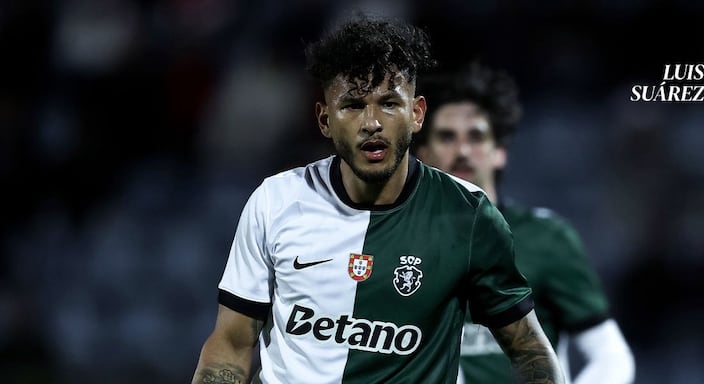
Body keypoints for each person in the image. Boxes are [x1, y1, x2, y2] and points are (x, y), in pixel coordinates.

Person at [191, 16, 565, 384]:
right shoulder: (276, 200)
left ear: (416, 114)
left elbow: (529, 351)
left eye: (388, 103)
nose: (371, 122)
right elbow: (232, 343)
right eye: (353, 105)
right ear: (324, 119)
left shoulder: (467, 215)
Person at [414, 63, 635, 384]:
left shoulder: (546, 237)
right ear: (423, 152)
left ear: (499, 152)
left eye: (476, 137)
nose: (462, 151)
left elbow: (610, 355)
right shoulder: (396, 240)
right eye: (447, 138)